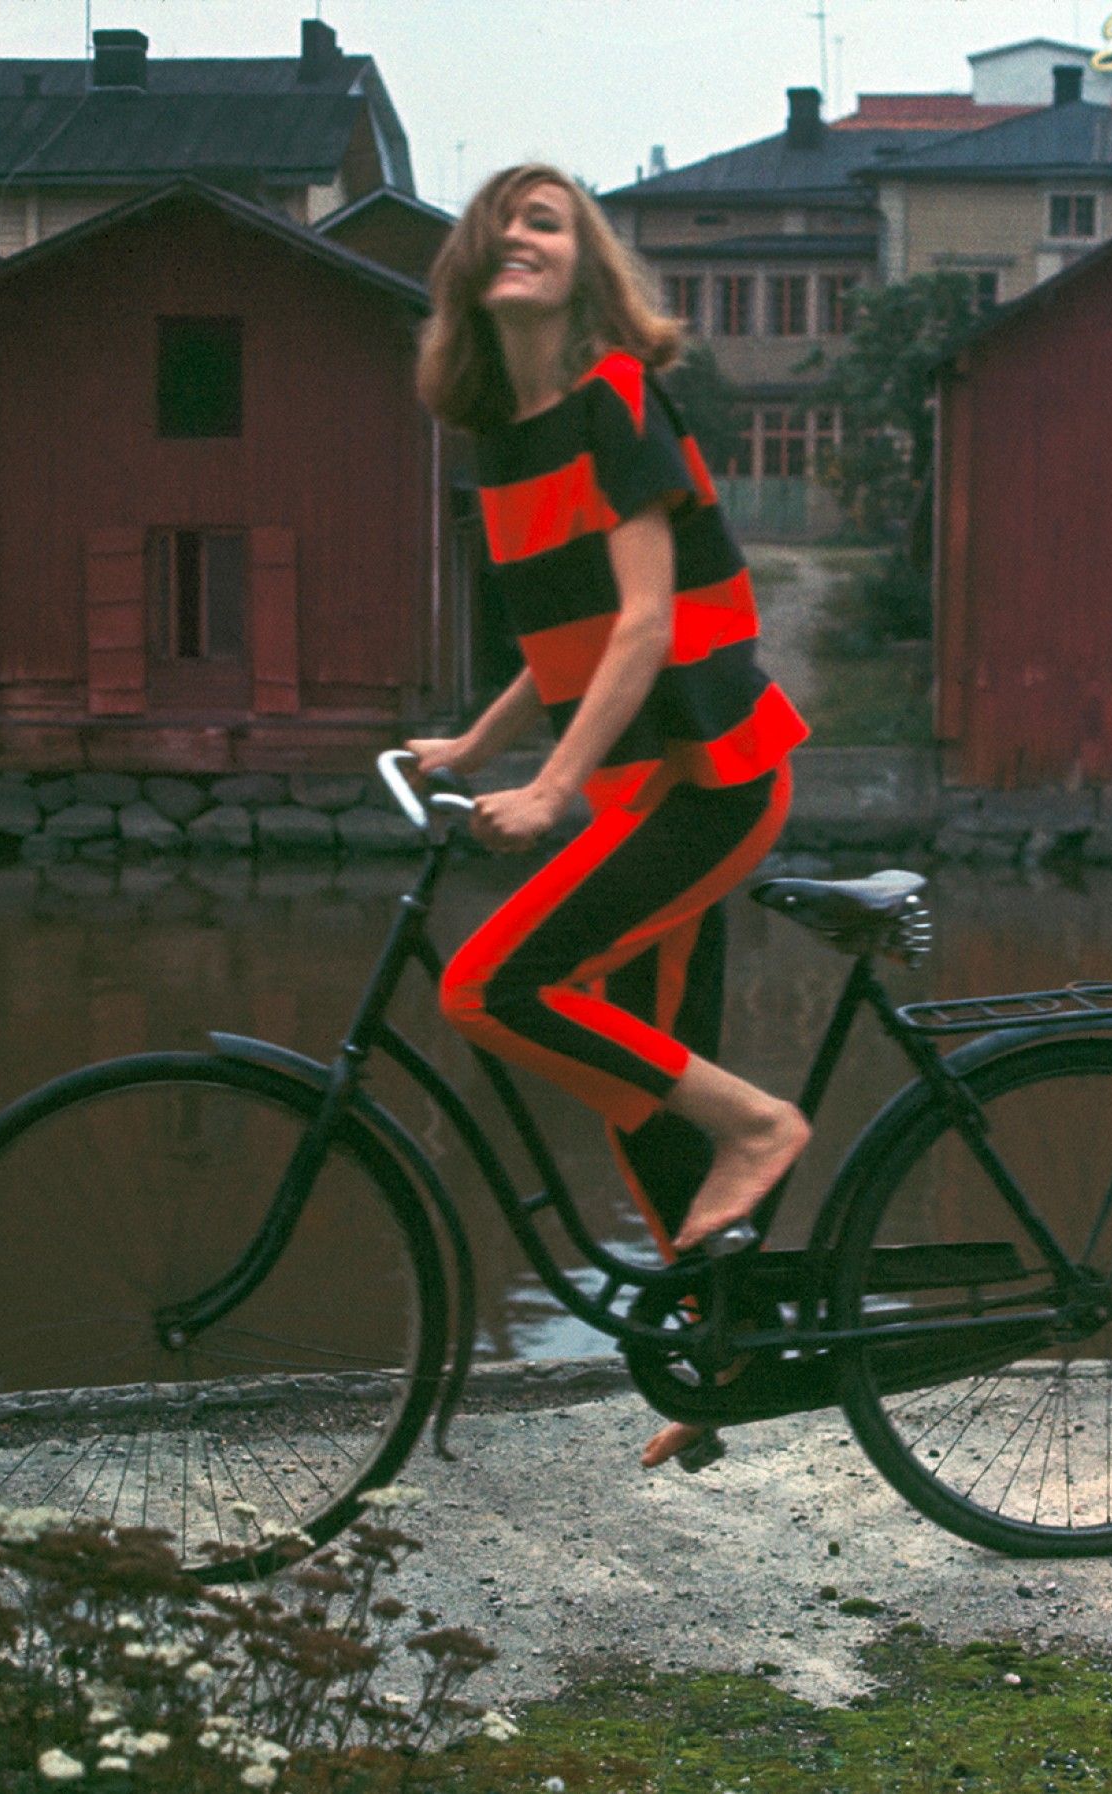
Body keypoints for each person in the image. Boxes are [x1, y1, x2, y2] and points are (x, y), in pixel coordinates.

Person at [407, 164, 811, 1469]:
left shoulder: (615, 399)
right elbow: (569, 637)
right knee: (638, 1090)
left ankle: (765, 1125)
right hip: (645, 780)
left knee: (488, 987)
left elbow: (644, 621)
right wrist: (478, 743)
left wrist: (554, 786)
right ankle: (729, 1359)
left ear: (586, 270)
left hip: (710, 771)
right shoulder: (504, 436)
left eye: (550, 222)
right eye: (502, 222)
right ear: (470, 267)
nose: (521, 237)